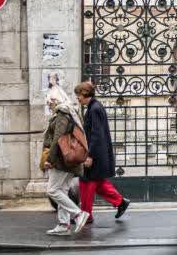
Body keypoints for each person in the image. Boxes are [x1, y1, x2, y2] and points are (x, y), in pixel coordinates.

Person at [74, 80, 128, 223]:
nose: (77, 98)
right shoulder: (93, 107)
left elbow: (96, 135)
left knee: (87, 183)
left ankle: (86, 215)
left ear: (85, 93)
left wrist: (90, 156)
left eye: (78, 95)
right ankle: (120, 202)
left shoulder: (94, 109)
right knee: (97, 183)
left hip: (95, 154)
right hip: (97, 153)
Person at [41, 87, 88, 235]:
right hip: (69, 159)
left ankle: (78, 214)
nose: (48, 104)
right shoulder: (70, 112)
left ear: (58, 100)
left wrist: (50, 159)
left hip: (62, 160)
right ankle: (63, 225)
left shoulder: (63, 113)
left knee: (52, 190)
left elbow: (58, 138)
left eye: (50, 101)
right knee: (62, 191)